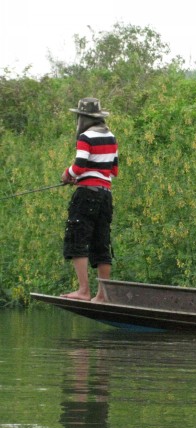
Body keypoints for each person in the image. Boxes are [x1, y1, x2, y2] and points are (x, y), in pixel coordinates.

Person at [60, 98, 118, 303]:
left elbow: (79, 166)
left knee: (78, 237)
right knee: (101, 242)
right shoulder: (111, 136)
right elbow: (114, 170)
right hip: (105, 195)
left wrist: (68, 175)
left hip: (87, 194)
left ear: (83, 118)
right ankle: (102, 295)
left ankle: (83, 291)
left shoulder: (85, 136)